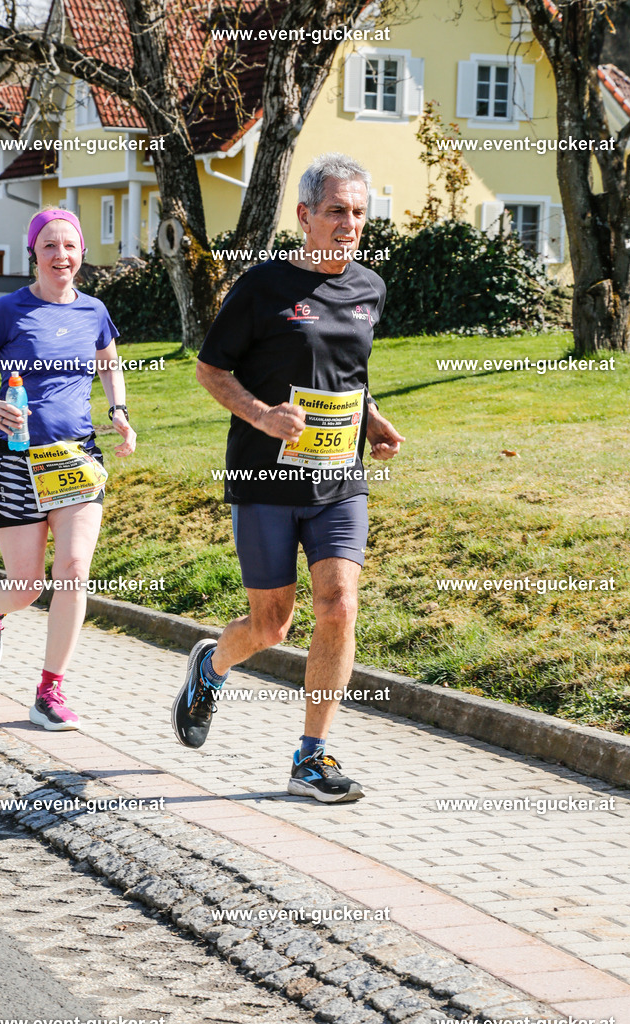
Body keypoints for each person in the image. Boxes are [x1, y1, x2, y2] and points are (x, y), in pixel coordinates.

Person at [171, 153, 403, 802]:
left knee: (337, 605)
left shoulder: (369, 288)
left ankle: (311, 758)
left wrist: (373, 421)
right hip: (262, 477)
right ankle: (211, 666)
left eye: (358, 212)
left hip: (337, 480)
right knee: (271, 625)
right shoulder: (262, 287)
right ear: (303, 216)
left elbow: (349, 375)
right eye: (335, 211)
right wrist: (260, 414)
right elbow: (211, 370)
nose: (349, 223)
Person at [0, 208, 137, 730]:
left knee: (74, 571)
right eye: (50, 246)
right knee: (28, 585)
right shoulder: (9, 310)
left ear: (82, 253)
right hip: (15, 461)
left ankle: (49, 692)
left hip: (75, 460)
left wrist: (119, 413)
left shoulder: (94, 310)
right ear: (33, 253)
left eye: (70, 246)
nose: (61, 255)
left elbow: (109, 363)